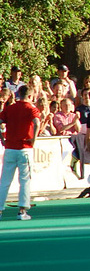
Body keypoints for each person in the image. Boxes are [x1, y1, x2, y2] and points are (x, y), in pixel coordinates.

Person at [0, 85, 40, 221]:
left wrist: (3, 138)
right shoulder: (31, 108)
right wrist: (34, 138)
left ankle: (0, 209)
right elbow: (37, 122)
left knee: (4, 181)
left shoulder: (10, 108)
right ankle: (22, 211)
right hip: (24, 148)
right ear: (30, 95)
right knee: (24, 180)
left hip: (10, 148)